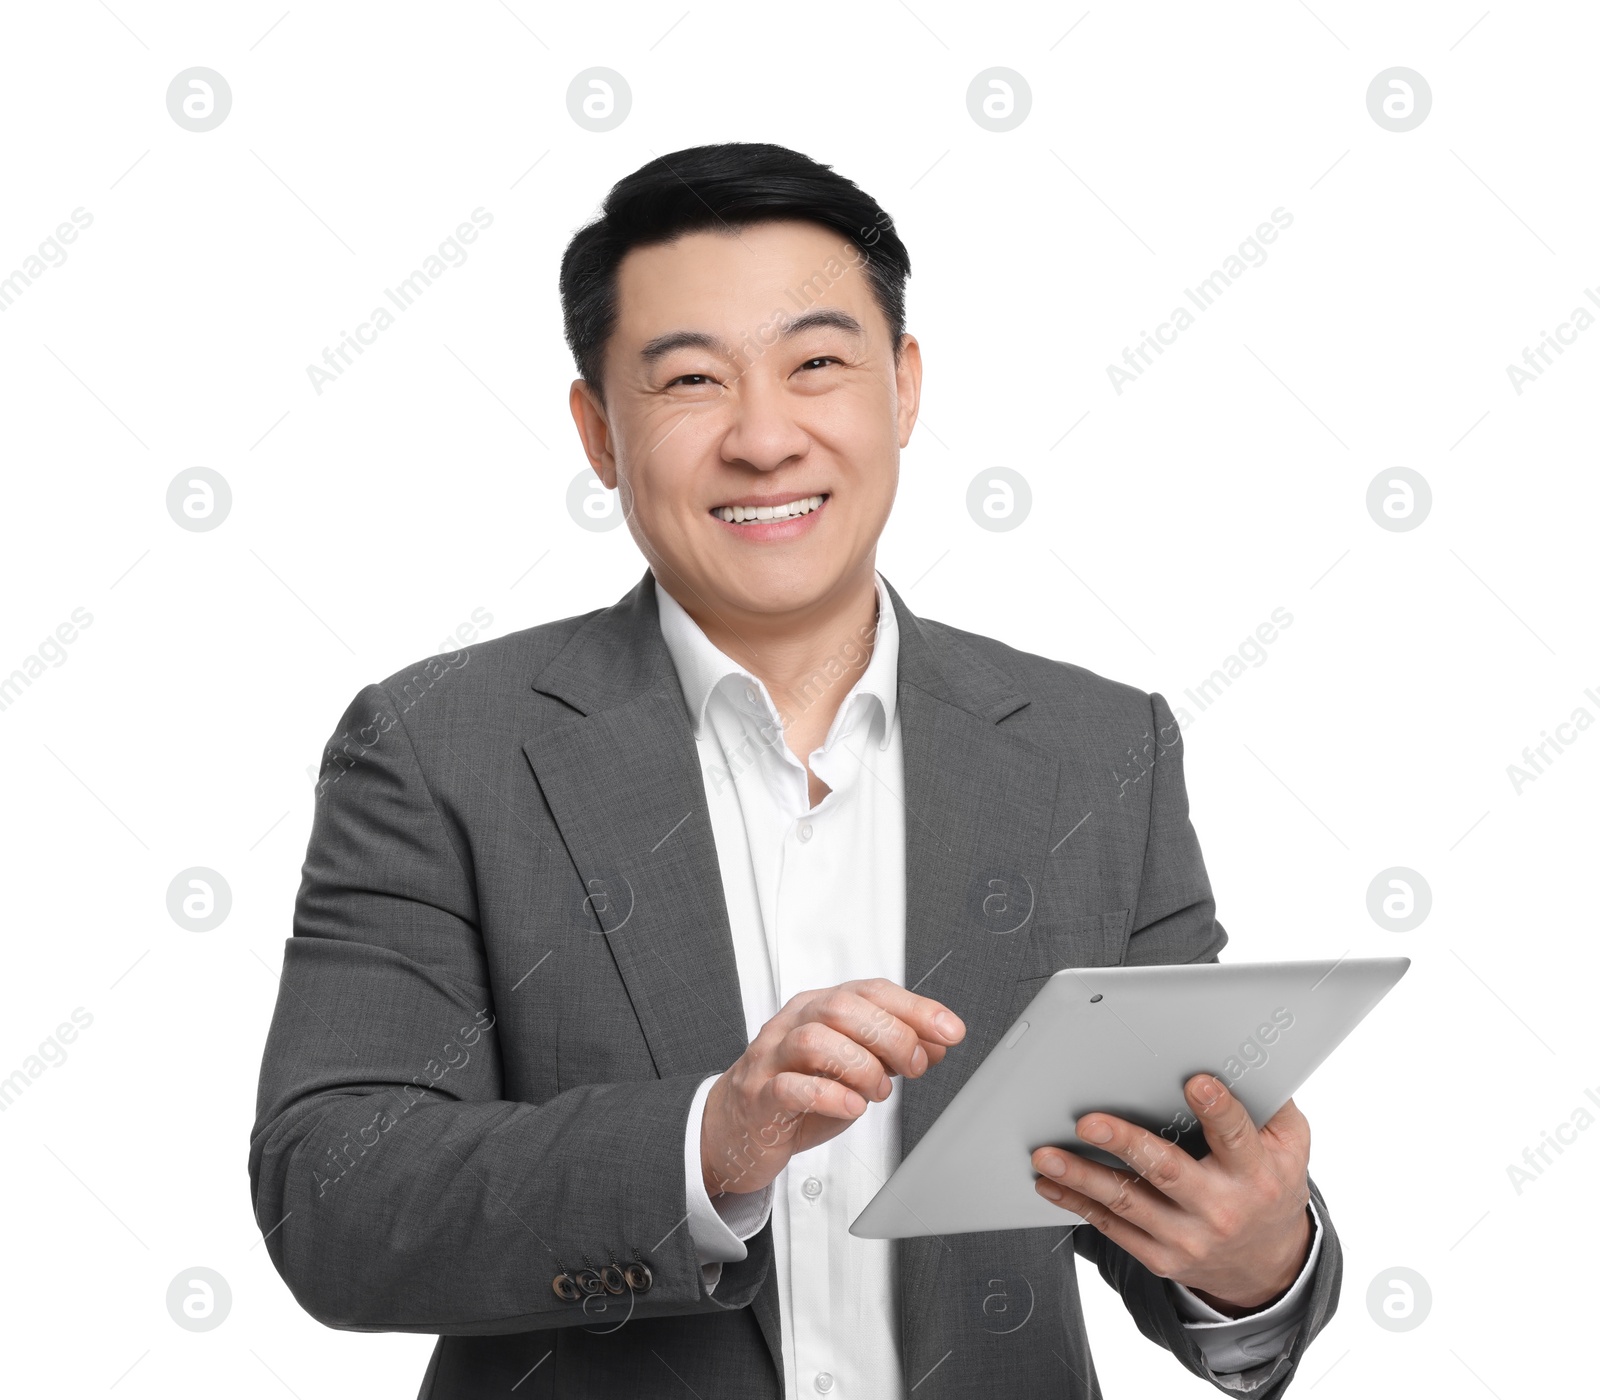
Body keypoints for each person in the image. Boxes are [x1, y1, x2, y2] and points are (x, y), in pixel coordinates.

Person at [251, 142, 1337, 1399]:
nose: (765, 438)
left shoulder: (1100, 751)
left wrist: (1259, 1257)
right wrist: (711, 1141)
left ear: (904, 391)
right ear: (599, 433)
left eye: (817, 364)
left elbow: (1163, 1184)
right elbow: (332, 1192)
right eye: (692, 380)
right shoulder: (439, 744)